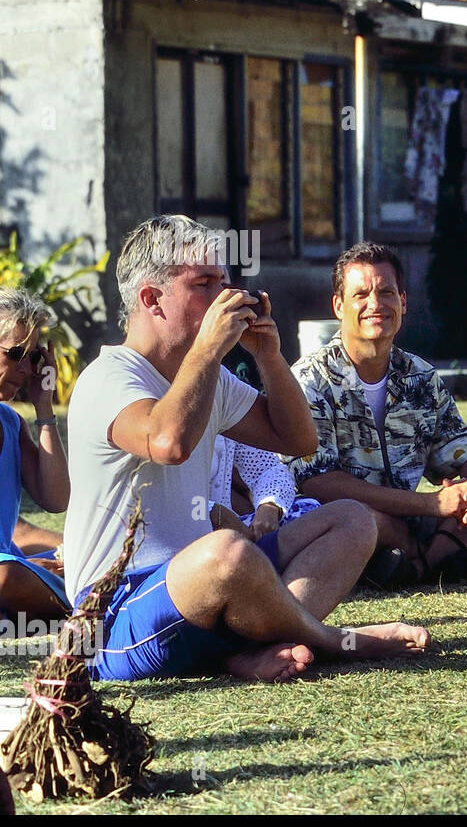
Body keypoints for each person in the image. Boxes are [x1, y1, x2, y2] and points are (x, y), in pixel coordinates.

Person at [63, 215, 429, 682]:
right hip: (114, 614)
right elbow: (167, 441)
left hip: (209, 591)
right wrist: (208, 350)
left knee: (351, 519)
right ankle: (332, 640)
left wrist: (268, 357)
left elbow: (297, 440)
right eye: (204, 283)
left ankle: (251, 649)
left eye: (225, 281)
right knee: (226, 553)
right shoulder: (108, 378)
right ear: (151, 299)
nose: (225, 297)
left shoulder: (210, 377)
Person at [288, 242, 467, 587]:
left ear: (403, 302)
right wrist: (433, 504)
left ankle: (424, 565)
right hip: (344, 519)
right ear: (338, 306)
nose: (375, 304)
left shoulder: (421, 377)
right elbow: (317, 482)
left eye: (386, 292)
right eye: (361, 295)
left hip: (414, 518)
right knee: (363, 519)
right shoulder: (309, 380)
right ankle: (456, 556)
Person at [0, 289, 71, 621]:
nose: (27, 369)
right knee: (7, 578)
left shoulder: (11, 423)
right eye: (16, 354)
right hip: (7, 573)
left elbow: (56, 499)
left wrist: (44, 409)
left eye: (34, 357)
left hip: (10, 569)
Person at [208, 434, 320, 539]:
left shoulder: (230, 416)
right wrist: (217, 514)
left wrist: (269, 505)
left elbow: (267, 469)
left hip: (233, 528)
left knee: (310, 511)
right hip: (198, 534)